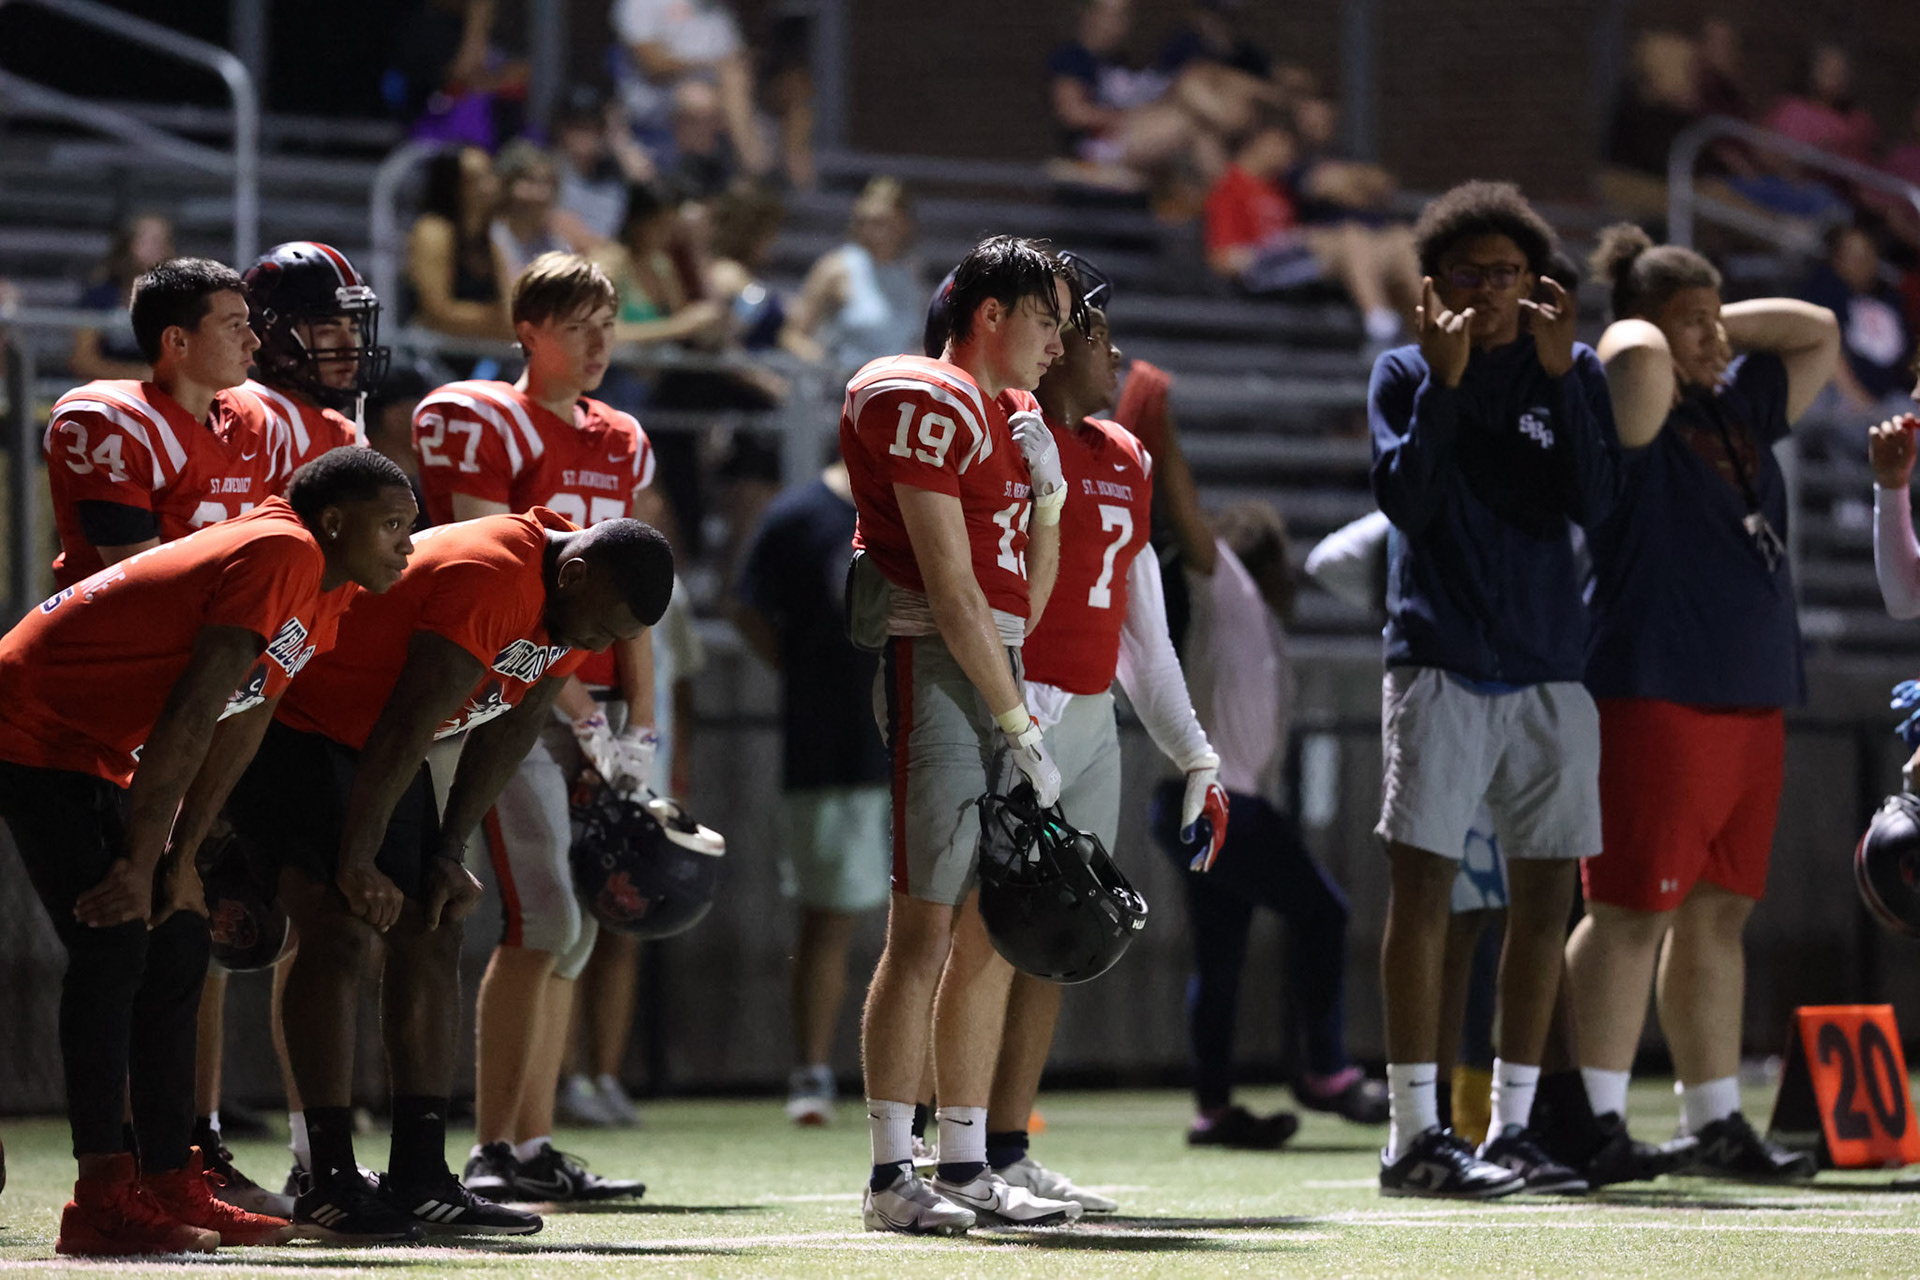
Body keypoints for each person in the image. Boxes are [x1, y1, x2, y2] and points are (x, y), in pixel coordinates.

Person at [0, 449, 420, 1256]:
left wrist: (180, 858)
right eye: (395, 525)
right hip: (30, 724)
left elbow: (243, 718)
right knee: (116, 937)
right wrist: (139, 858)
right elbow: (194, 710)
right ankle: (100, 1200)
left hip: (90, 744)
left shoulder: (323, 588)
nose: (409, 543)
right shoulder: (285, 550)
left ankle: (167, 1179)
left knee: (180, 933)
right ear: (335, 521)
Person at [224, 508, 673, 1241]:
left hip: (374, 743)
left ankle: (421, 1176)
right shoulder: (493, 574)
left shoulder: (573, 598)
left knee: (431, 923)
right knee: (337, 930)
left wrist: (448, 851)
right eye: (602, 631)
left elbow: (513, 723)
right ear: (576, 576)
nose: (600, 648)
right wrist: (358, 857)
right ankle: (327, 1179)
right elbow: (409, 721)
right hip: (298, 721)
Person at [1568, 224, 1838, 1180]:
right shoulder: (1630, 400)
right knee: (1632, 907)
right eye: (1695, 324)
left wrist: (1707, 318)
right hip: (1655, 684)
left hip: (1749, 687)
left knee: (1719, 911)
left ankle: (1713, 1117)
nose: (1718, 340)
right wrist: (1656, 322)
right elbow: (1631, 354)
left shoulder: (1740, 406)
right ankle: (1594, 1118)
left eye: (1720, 321)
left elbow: (1817, 331)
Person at [1368, 181, 1619, 1198]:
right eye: (1468, 273)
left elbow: (1598, 504)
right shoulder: (1403, 370)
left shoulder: (1575, 368)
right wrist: (1445, 382)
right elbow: (1407, 501)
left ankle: (1516, 1126)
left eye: (1507, 272)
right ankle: (1415, 1133)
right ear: (1434, 285)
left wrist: (1561, 382)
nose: (1489, 290)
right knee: (1424, 889)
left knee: (1546, 897)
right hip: (1441, 655)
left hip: (1554, 663)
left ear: (1539, 282)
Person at [410, 252, 658, 1204]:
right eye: (579, 323)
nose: (600, 342)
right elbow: (504, 587)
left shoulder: (621, 438)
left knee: (576, 929)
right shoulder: (480, 418)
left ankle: (530, 1141)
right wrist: (591, 715)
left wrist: (638, 731)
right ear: (528, 330)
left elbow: (635, 594)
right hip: (501, 697)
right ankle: (491, 1147)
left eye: (609, 323)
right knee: (542, 913)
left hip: (584, 703)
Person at [843, 235, 1080, 1235]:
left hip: (997, 659)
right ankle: (891, 1167)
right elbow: (949, 587)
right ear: (992, 312)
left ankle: (968, 1155)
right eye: (1048, 319)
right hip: (936, 661)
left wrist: (1052, 502)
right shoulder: (920, 393)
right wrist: (1017, 715)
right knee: (924, 921)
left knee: (988, 925)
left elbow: (1027, 594)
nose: (1060, 345)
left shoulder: (1014, 415)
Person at [1115, 357, 1387, 1146]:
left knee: (1223, 954)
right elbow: (1187, 509)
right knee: (1325, 912)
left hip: (1204, 801)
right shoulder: (1227, 583)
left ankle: (1213, 1107)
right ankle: (1324, 1067)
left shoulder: (1257, 625)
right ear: (1265, 562)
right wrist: (1156, 416)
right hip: (1219, 802)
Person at [187, 240, 396, 1218]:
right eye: (325, 321)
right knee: (202, 912)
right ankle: (183, 1140)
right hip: (253, 688)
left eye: (353, 321)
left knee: (287, 929)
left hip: (297, 689)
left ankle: (296, 1151)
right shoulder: (264, 418)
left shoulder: (316, 420)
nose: (346, 340)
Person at [735, 459, 892, 1127]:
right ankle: (813, 1070)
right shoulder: (799, 515)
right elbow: (745, 608)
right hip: (830, 743)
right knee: (827, 913)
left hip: (917, 737)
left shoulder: (913, 506)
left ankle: (925, 1081)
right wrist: (806, 677)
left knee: (934, 918)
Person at [44, 258, 278, 589]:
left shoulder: (252, 416)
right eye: (234, 325)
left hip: (216, 629)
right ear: (178, 341)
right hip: (122, 635)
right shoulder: (116, 422)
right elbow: (143, 589)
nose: (253, 341)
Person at [1203, 114, 1416, 348]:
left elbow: (1378, 187)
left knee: (1401, 239)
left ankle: (1442, 326)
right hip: (1260, 268)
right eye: (1281, 144)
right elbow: (1222, 260)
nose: (1288, 153)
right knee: (1350, 236)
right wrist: (1281, 245)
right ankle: (1380, 327)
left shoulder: (1282, 188)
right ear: (1258, 142)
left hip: (1301, 258)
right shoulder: (1230, 186)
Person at [613, 0, 772, 179]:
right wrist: (708, 65)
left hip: (717, 89)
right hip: (655, 94)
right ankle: (753, 170)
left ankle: (750, 171)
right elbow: (652, 65)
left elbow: (735, 58)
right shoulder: (640, 4)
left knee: (737, 89)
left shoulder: (713, 7)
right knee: (705, 99)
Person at [784, 177, 923, 375]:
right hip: (846, 387)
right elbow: (792, 335)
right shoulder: (836, 268)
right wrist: (827, 366)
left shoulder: (910, 272)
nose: (871, 232)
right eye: (864, 222)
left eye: (881, 223)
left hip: (895, 387)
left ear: (904, 224)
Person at [1801, 226, 1913, 418]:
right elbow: (1824, 343)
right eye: (1854, 256)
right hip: (1841, 400)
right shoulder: (1825, 289)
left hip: (1892, 398)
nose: (1864, 263)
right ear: (1836, 260)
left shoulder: (1890, 298)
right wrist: (1861, 403)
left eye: (1869, 254)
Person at [407, 146, 511, 341]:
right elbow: (437, 312)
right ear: (455, 186)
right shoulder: (433, 231)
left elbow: (507, 300)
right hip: (433, 350)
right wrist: (498, 319)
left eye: (491, 174)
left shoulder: (490, 235)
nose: (493, 185)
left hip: (478, 347)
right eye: (478, 178)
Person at [70, 211, 174, 382]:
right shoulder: (99, 296)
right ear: (128, 244)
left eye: (163, 240)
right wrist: (137, 377)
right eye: (147, 239)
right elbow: (83, 360)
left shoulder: (181, 299)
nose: (157, 247)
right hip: (107, 393)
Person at [491, 140, 570, 280]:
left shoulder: (557, 243)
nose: (539, 194)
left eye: (546, 183)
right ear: (506, 185)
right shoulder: (492, 238)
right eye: (529, 181)